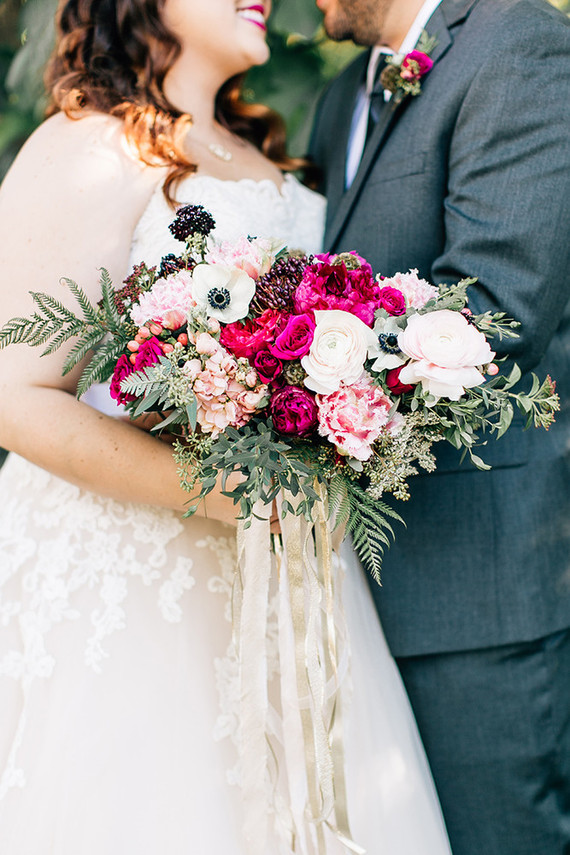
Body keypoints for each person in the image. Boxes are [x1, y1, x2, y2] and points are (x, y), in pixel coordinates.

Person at [0, 0, 455, 852]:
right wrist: (223, 494)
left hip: (291, 577)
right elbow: (15, 395)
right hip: (135, 585)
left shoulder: (281, 154)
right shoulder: (90, 145)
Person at [309, 0, 570, 853]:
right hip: (349, 584)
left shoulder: (516, 43)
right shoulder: (340, 97)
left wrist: (287, 389)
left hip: (477, 586)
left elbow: (496, 308)